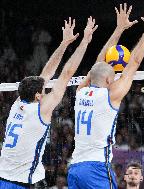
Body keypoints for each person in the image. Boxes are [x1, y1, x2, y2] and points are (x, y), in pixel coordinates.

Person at [67, 3, 144, 189]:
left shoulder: (80, 92)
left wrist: (119, 29)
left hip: (74, 168)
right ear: (108, 80)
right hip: (96, 168)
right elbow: (135, 62)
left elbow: (98, 65)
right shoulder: (110, 95)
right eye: (112, 77)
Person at [0, 17, 98, 188]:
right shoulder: (41, 110)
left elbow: (46, 73)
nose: (45, 90)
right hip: (21, 182)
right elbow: (66, 73)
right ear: (38, 96)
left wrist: (64, 43)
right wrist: (85, 41)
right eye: (43, 91)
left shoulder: (17, 104)